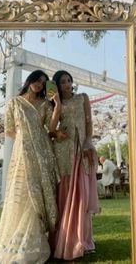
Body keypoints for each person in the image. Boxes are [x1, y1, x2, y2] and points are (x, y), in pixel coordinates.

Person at [0, 69, 60, 264]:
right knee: (23, 190)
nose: (39, 84)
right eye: (37, 80)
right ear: (30, 80)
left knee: (40, 190)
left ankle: (37, 238)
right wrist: (24, 140)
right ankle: (19, 242)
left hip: (43, 151)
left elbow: (51, 129)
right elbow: (10, 130)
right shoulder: (14, 102)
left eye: (43, 82)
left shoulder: (45, 104)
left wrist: (57, 104)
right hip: (22, 151)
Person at [49, 70, 100, 261]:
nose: (67, 84)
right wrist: (56, 104)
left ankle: (81, 239)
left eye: (69, 80)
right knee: (66, 192)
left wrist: (88, 142)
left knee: (82, 194)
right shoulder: (56, 103)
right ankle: (66, 239)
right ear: (57, 85)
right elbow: (52, 129)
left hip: (81, 148)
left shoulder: (82, 98)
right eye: (63, 82)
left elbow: (88, 122)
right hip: (63, 150)